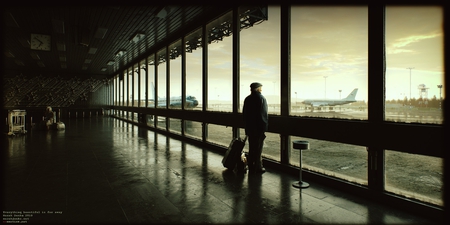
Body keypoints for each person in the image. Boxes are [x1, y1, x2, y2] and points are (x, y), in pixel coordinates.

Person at [243, 82, 268, 174]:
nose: (261, 89)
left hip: (250, 128)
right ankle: (258, 167)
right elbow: (263, 115)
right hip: (258, 128)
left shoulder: (247, 99)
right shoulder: (261, 98)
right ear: (258, 89)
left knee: (252, 147)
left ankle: (251, 165)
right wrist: (264, 128)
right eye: (261, 88)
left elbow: (245, 115)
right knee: (258, 149)